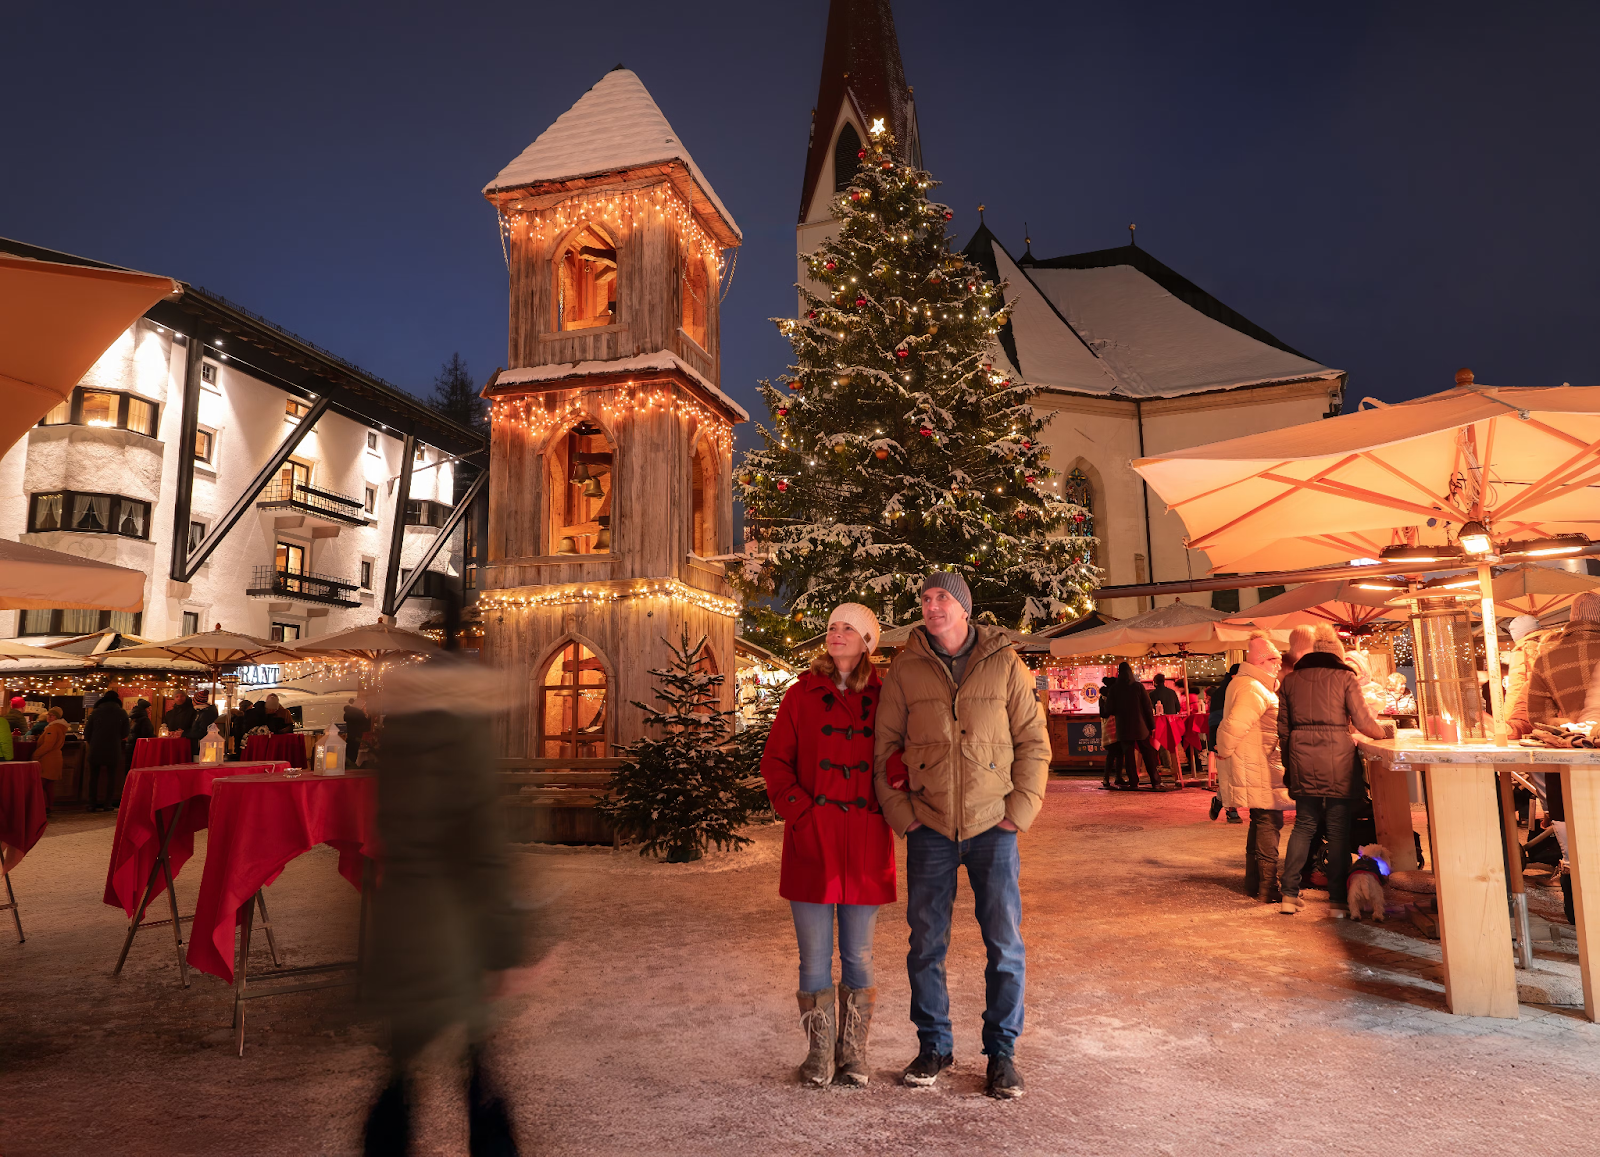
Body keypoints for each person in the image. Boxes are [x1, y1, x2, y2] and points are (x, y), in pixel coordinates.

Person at [874, 572, 1049, 1099]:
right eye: (925, 598)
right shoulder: (905, 668)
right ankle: (934, 1045)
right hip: (928, 826)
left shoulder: (1005, 662)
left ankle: (1002, 1053)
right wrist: (904, 817)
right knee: (926, 944)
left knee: (1004, 945)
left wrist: (1019, 811)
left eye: (942, 598)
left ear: (964, 608)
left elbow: (1033, 741)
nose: (932, 606)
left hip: (993, 825)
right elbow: (885, 749)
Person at [363, 595, 525, 1155]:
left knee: (402, 1067)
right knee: (478, 1063)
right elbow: (481, 844)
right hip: (457, 924)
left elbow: (388, 826)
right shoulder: (465, 737)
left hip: (402, 918)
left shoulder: (400, 735)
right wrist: (504, 945)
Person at [761, 603, 894, 1087]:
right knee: (814, 957)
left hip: (865, 840)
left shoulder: (886, 696)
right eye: (833, 627)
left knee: (859, 955)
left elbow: (899, 756)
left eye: (849, 629)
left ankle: (853, 1053)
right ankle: (819, 1054)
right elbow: (775, 762)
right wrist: (801, 812)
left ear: (867, 642)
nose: (837, 634)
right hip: (812, 840)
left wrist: (890, 800)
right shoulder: (800, 695)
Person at [1277, 625, 1392, 915]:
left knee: (1304, 825)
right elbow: (1363, 721)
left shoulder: (1290, 681)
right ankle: (1338, 901)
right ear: (1338, 655)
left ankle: (1289, 894)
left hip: (1301, 758)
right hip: (1338, 759)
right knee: (1338, 828)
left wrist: (1290, 764)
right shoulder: (1345, 677)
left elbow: (1283, 730)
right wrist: (1384, 733)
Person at [1214, 635, 1289, 901]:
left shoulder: (1253, 684)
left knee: (1261, 819)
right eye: (1274, 659)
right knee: (1269, 820)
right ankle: (1268, 886)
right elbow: (1234, 725)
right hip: (1258, 765)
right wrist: (1223, 750)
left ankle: (1254, 882)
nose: (1279, 664)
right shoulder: (1253, 687)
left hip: (1258, 762)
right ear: (1260, 660)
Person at [1114, 662, 1163, 791]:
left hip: (1123, 727)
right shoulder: (1138, 686)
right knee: (1147, 752)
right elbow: (1147, 707)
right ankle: (1155, 781)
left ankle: (1133, 782)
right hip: (1140, 726)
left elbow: (1108, 709)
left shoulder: (1115, 689)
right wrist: (1152, 725)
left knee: (1129, 755)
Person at [82, 691, 130, 812]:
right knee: (111, 777)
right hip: (113, 748)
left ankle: (92, 803)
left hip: (96, 747)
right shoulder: (122, 713)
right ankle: (108, 803)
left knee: (93, 777)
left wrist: (92, 741)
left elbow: (87, 732)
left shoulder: (95, 712)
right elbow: (125, 733)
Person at [1207, 666, 1243, 823]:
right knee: (1228, 773)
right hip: (1224, 738)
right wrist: (1217, 743)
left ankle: (1220, 800)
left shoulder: (1243, 691)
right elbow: (1215, 721)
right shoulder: (1221, 693)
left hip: (1242, 737)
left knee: (1238, 774)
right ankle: (1231, 809)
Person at [33, 707, 68, 814]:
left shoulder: (52, 728)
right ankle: (49, 807)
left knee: (41, 784)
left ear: (56, 717)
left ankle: (44, 807)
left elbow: (48, 745)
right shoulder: (60, 727)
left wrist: (35, 755)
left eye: (52, 715)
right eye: (48, 715)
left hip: (48, 760)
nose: (49, 717)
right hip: (55, 759)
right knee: (49, 786)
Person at [1098, 676, 1126, 789]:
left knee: (1114, 753)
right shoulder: (1113, 696)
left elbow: (1102, 714)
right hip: (1115, 726)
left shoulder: (1103, 697)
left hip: (1108, 728)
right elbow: (1106, 712)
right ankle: (1114, 777)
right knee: (1117, 753)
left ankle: (1109, 778)